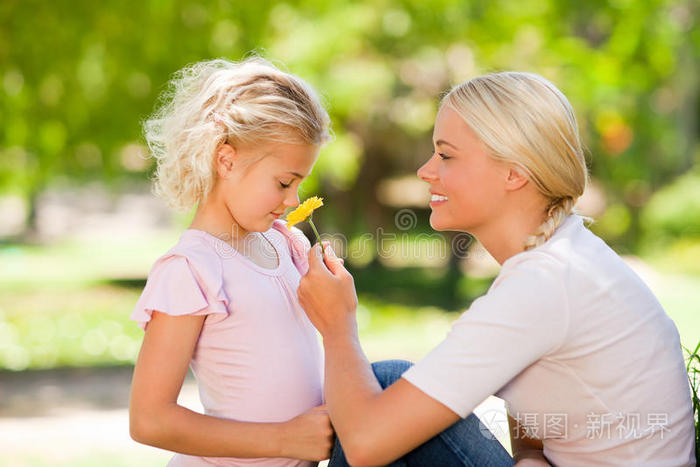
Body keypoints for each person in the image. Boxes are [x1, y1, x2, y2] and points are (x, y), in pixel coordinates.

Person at [298, 72, 696, 466]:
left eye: (446, 155)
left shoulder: (544, 282)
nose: (425, 171)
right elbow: (542, 390)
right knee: (388, 384)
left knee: (385, 384)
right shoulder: (563, 257)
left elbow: (367, 443)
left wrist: (337, 326)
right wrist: (528, 457)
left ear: (514, 172)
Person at [129, 57, 334, 466]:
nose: (293, 200)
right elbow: (149, 420)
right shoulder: (191, 269)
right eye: (283, 182)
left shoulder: (288, 245)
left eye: (301, 183)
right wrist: (285, 440)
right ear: (226, 160)